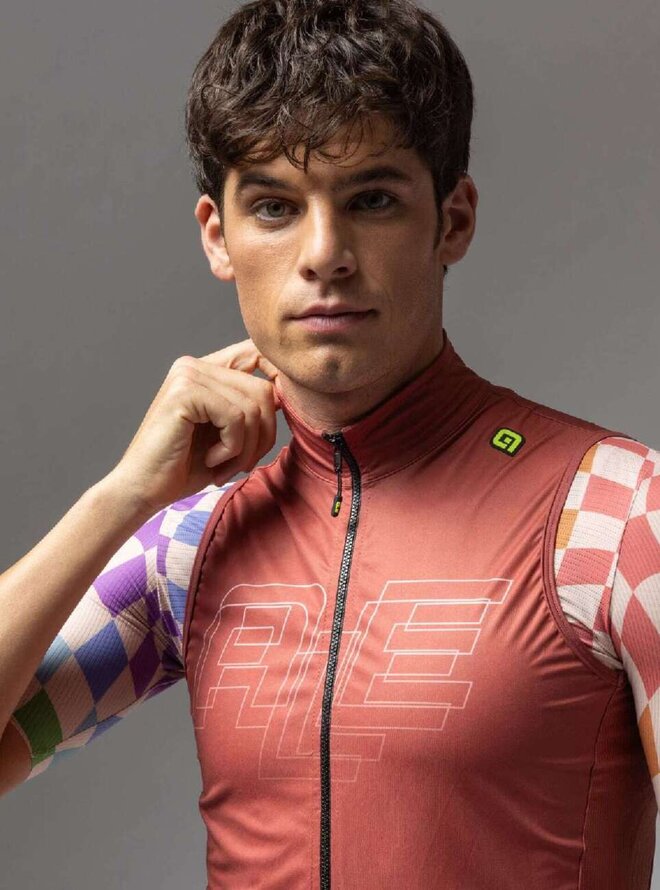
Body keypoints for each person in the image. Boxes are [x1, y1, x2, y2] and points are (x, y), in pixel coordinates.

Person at [0, 0, 658, 887]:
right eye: (274, 207)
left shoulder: (618, 519)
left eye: (372, 200)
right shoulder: (192, 548)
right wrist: (119, 498)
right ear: (218, 236)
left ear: (453, 220)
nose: (325, 253)